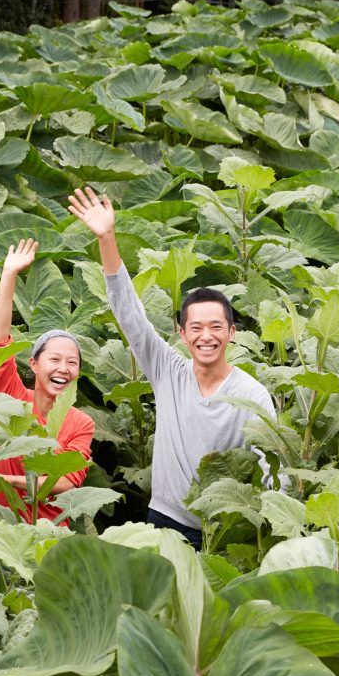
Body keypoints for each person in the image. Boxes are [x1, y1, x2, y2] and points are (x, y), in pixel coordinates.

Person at [67, 186, 276, 548]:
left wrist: (269, 528)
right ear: (182, 333)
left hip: (224, 530)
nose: (205, 336)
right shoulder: (169, 371)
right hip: (163, 518)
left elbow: (272, 466)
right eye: (196, 327)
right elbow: (130, 315)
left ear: (232, 333)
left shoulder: (250, 395)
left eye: (216, 327)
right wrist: (107, 239)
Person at [0, 238, 95, 523]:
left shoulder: (81, 422)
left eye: (72, 362)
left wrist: (6, 481)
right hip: (0, 526)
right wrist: (9, 275)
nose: (63, 368)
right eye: (55, 360)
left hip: (49, 533)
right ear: (34, 364)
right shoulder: (11, 399)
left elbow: (68, 482)